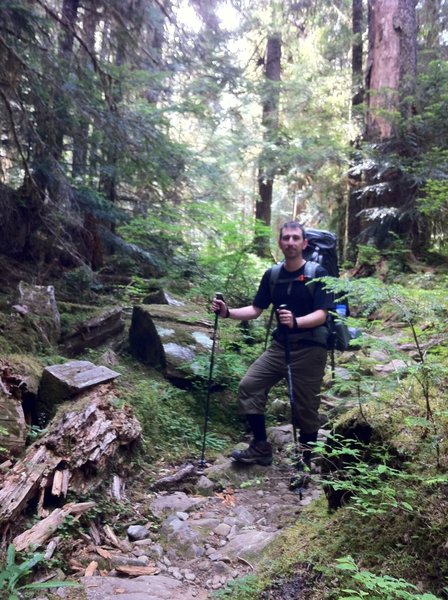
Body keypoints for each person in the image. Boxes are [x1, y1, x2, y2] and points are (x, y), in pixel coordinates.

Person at [211, 221, 334, 468]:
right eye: (286, 238)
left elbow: (323, 314)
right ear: (280, 243)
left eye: (295, 238)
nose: (290, 242)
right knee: (250, 386)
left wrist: (297, 321)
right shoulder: (273, 275)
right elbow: (256, 309)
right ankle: (260, 446)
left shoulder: (317, 273)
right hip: (280, 347)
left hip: (310, 349)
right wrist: (227, 313)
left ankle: (304, 462)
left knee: (305, 409)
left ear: (304, 243)